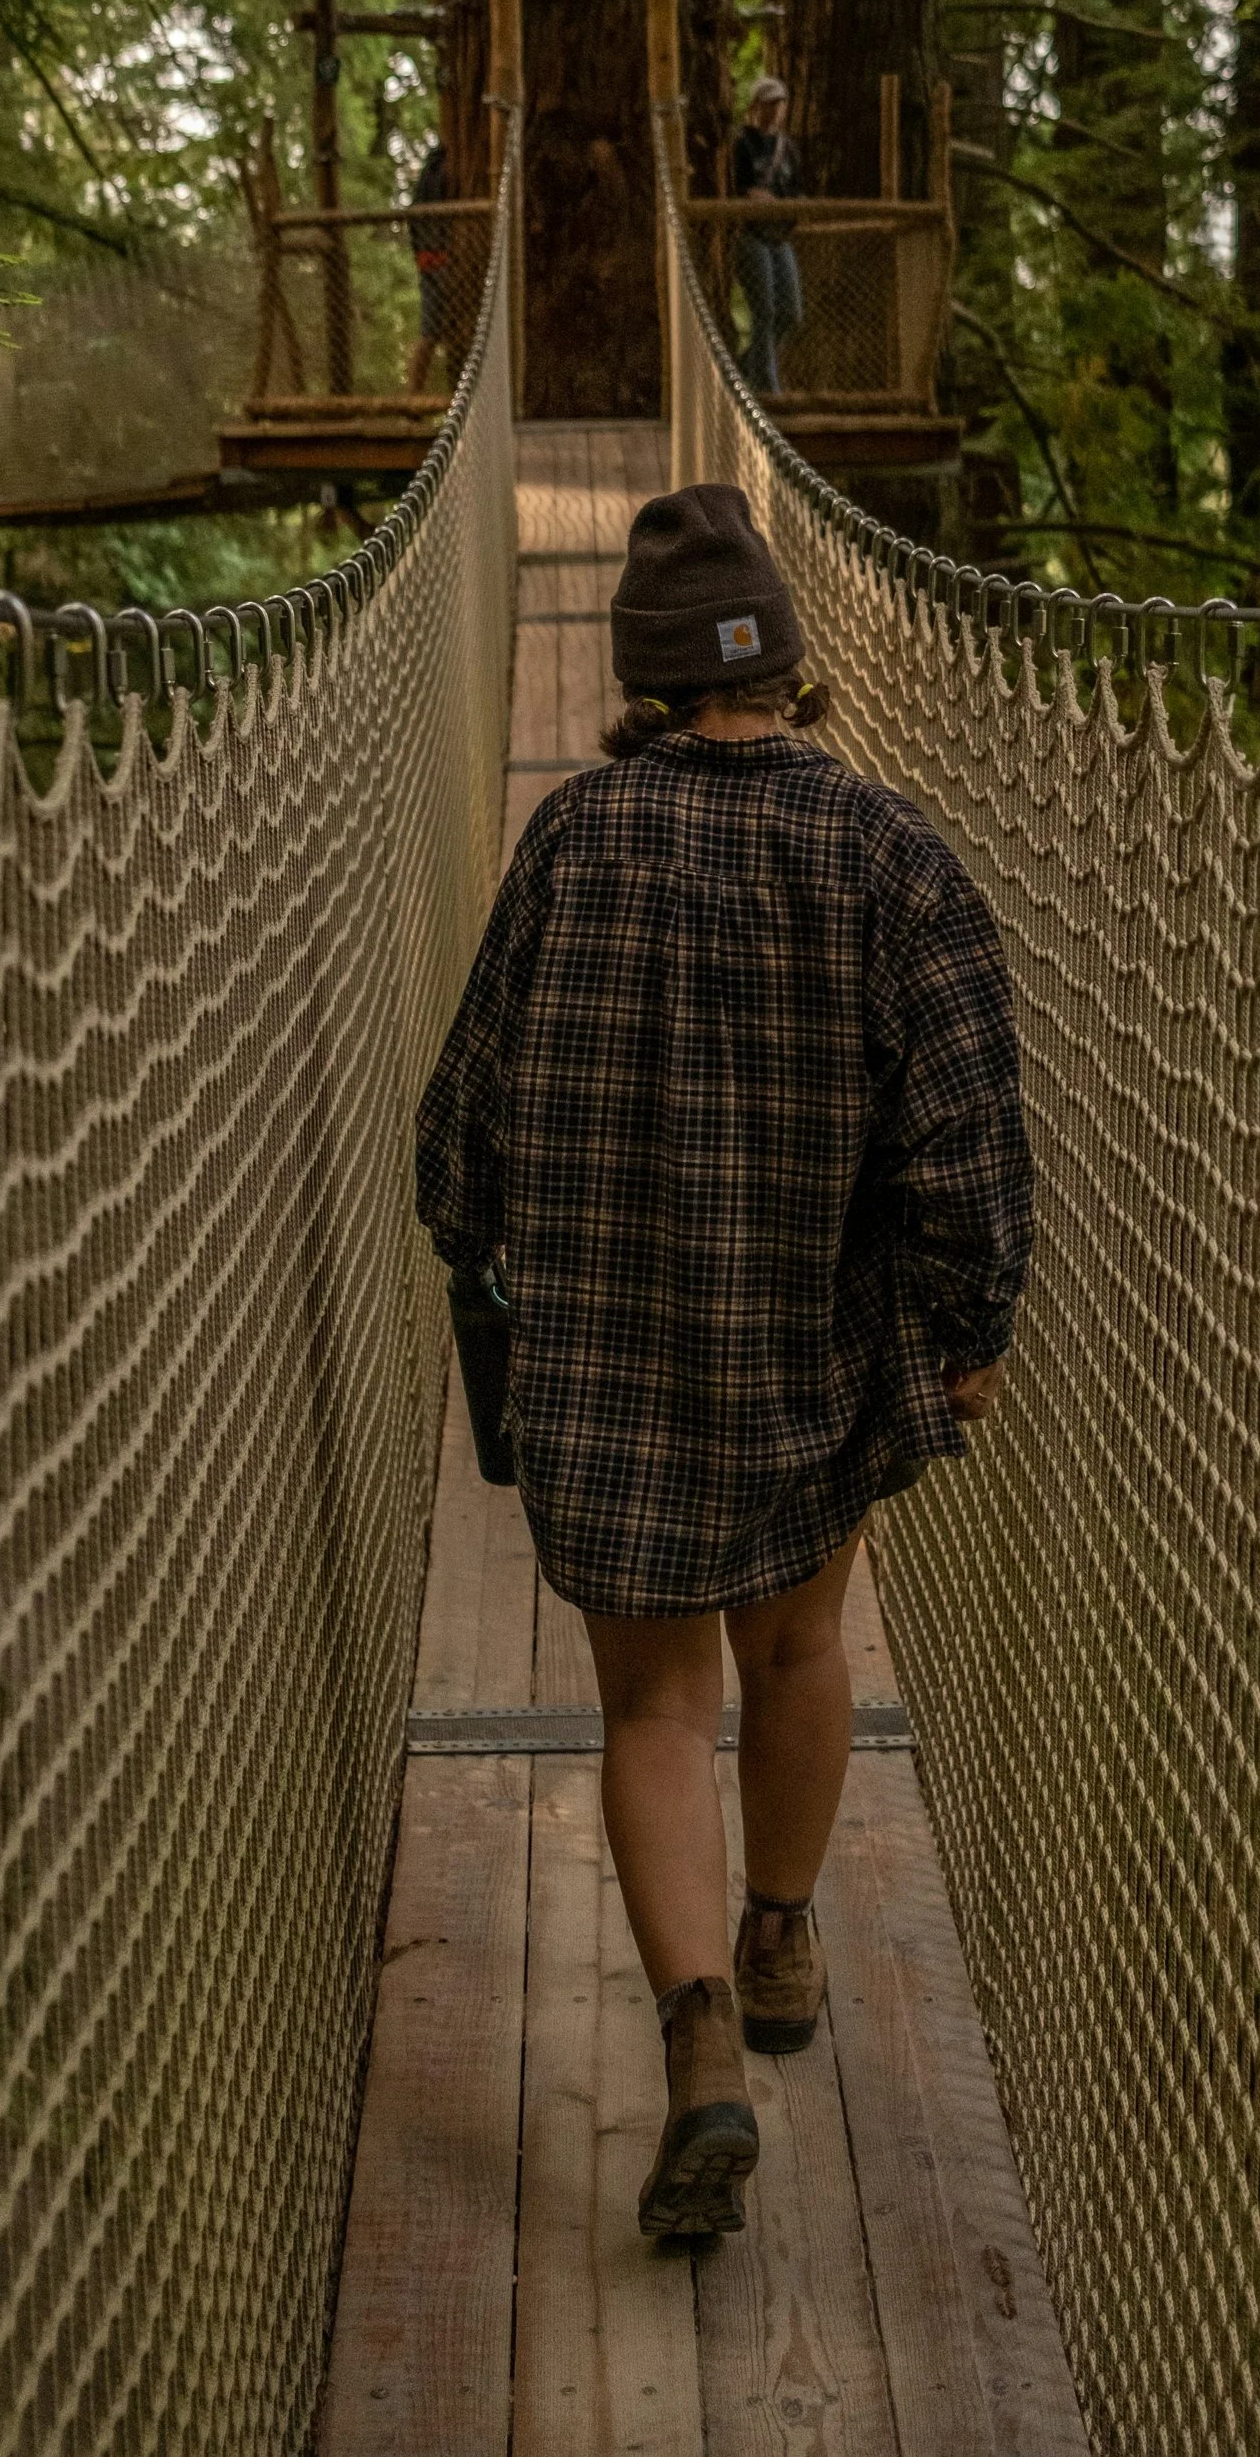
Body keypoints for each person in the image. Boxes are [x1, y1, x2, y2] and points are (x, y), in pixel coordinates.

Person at [416, 483, 1030, 2240]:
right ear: (790, 668)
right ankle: (777, 1939)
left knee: (653, 1702)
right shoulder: (896, 856)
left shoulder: (574, 842)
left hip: (613, 1364)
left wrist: (487, 1248)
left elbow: (455, 1139)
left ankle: (695, 2048)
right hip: (810, 1361)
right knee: (802, 1642)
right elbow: (966, 1137)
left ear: (643, 678)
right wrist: (971, 1332)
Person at [730, 77, 803, 397]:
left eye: (780, 103)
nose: (775, 110)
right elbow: (744, 189)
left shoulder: (788, 148)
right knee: (765, 310)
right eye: (768, 103)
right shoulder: (741, 144)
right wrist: (760, 199)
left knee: (790, 313)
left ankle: (741, 367)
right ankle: (768, 391)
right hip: (751, 235)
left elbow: (795, 190)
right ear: (754, 106)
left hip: (780, 236)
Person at [403, 135, 454, 394]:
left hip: (432, 262)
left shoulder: (429, 178)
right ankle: (413, 396)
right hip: (437, 262)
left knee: (433, 332)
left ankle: (416, 395)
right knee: (430, 332)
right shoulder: (439, 175)